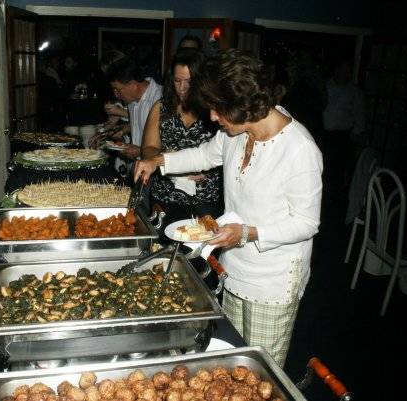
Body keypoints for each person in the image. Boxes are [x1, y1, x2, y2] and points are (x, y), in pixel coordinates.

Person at [134, 50, 323, 367]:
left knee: (258, 370)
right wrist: (158, 160)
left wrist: (248, 233)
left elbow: (306, 222)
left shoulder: (299, 149)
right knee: (233, 357)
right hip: (234, 265)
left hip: (272, 278)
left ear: (242, 104)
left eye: (217, 109)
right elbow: (204, 155)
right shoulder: (237, 132)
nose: (212, 117)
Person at [141, 49, 222, 236]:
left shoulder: (214, 111)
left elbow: (225, 154)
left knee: (202, 251)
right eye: (177, 81)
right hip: (165, 197)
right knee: (162, 249)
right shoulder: (162, 107)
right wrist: (164, 158)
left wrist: (205, 168)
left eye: (189, 82)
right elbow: (148, 149)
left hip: (205, 200)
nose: (182, 88)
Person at [103, 56, 163, 161]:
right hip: (138, 165)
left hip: (156, 167)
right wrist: (122, 130)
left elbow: (173, 147)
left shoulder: (160, 99)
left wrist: (140, 151)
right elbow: (140, 125)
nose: (116, 95)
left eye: (117, 90)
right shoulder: (131, 100)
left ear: (133, 84)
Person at [322, 59, 365, 187]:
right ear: (336, 70)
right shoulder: (325, 86)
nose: (347, 73)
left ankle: (337, 192)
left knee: (339, 169)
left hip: (342, 136)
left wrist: (356, 133)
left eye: (348, 71)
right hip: (325, 134)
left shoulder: (354, 92)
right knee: (324, 166)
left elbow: (359, 114)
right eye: (344, 70)